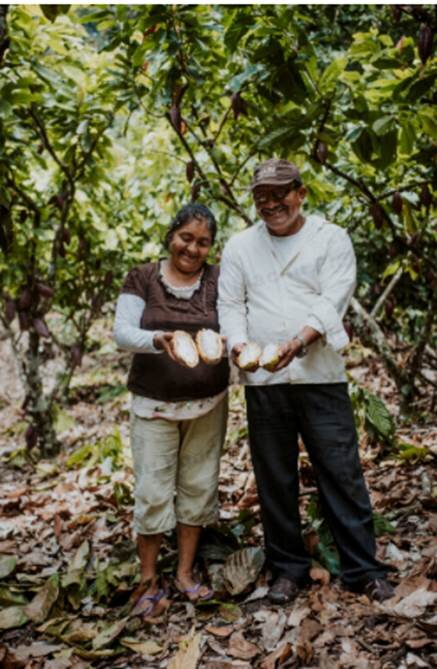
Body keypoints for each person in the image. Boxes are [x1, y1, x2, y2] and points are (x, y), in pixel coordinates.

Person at [218, 158, 394, 604]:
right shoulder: (240, 246)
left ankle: (363, 569)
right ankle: (288, 570)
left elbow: (335, 296)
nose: (272, 204)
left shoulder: (330, 238)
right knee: (274, 477)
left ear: (301, 192)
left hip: (319, 374)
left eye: (281, 194)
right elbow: (230, 305)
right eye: (263, 197)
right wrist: (239, 346)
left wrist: (298, 342)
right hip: (264, 382)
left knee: (341, 472)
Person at [114, 203, 229, 616]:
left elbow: (232, 327)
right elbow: (123, 333)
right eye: (186, 238)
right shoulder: (143, 276)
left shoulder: (218, 279)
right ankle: (148, 579)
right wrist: (158, 339)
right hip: (154, 406)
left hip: (208, 404)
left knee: (199, 486)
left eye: (203, 242)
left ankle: (183, 573)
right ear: (170, 235)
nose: (192, 248)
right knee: (151, 492)